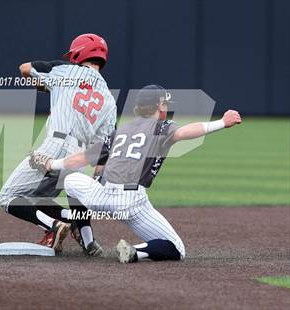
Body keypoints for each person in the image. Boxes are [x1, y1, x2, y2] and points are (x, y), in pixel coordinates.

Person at [29, 84, 242, 262]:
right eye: (165, 103)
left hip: (102, 196)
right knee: (176, 248)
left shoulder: (120, 131)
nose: (166, 106)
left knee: (72, 180)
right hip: (131, 203)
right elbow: (183, 132)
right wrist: (221, 123)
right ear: (159, 106)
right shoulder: (161, 126)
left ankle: (87, 238)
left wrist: (51, 164)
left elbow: (83, 158)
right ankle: (135, 252)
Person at [0, 34, 117, 255]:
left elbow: (24, 69)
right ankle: (84, 233)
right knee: (38, 197)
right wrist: (95, 179)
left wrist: (45, 85)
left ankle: (53, 226)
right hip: (79, 157)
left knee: (8, 197)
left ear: (78, 54)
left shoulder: (65, 70)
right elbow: (104, 148)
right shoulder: (109, 99)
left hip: (55, 146)